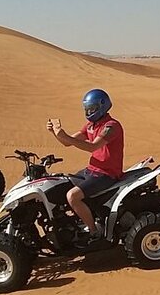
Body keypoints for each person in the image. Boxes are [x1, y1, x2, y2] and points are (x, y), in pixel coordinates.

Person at [47, 89, 124, 246]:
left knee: (72, 196)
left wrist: (65, 136)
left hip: (106, 174)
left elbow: (92, 147)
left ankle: (95, 233)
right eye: (87, 108)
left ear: (102, 106)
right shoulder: (91, 125)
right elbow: (67, 142)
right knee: (60, 184)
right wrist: (56, 133)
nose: (89, 112)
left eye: (92, 108)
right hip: (91, 170)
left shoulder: (111, 126)